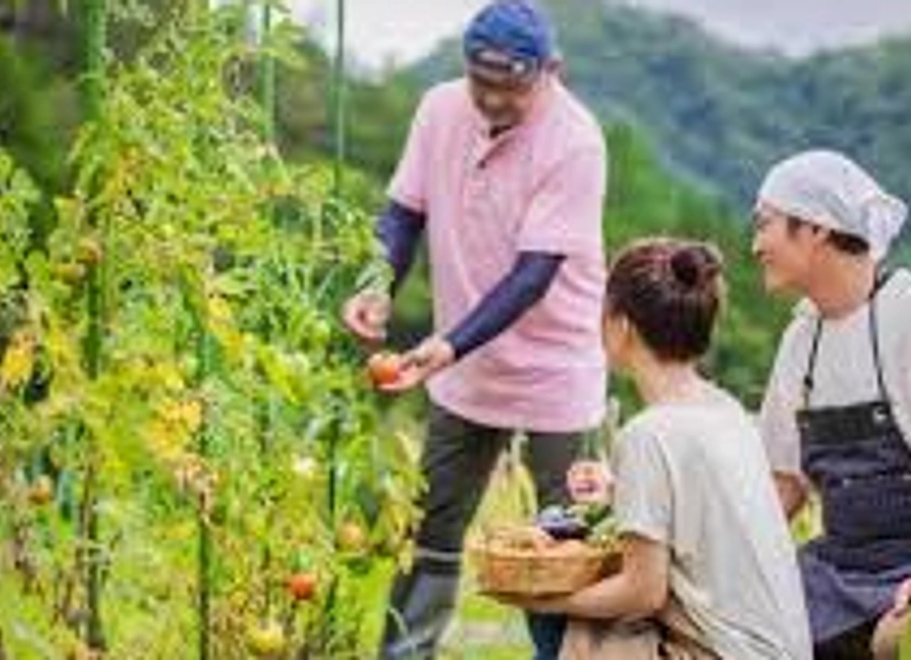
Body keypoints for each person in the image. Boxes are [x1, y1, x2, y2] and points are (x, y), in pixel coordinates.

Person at [339, 1, 608, 657]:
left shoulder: (576, 142)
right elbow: (403, 214)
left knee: (562, 543)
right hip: (465, 372)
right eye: (479, 83)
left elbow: (532, 275)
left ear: (551, 72)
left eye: (510, 87)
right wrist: (377, 285)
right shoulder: (439, 110)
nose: (491, 99)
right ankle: (405, 652)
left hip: (555, 374)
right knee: (430, 526)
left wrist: (447, 343)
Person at [495, 239, 812, 660]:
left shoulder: (648, 434)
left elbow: (642, 592)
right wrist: (616, 490)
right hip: (781, 649)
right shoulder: (725, 410)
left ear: (622, 325)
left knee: (558, 616)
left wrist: (543, 602)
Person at [753, 149, 911, 659]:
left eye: (766, 225)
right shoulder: (801, 341)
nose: (756, 245)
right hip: (837, 572)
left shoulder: (904, 316)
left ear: (816, 228)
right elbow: (784, 484)